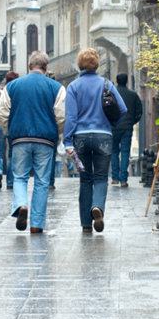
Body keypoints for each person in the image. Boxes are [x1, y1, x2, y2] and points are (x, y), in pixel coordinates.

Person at [0, 51, 65, 234]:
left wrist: (9, 130)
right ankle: (37, 224)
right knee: (42, 181)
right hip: (45, 140)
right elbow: (61, 115)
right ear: (46, 67)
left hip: (20, 138)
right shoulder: (56, 87)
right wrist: (57, 133)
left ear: (29, 66)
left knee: (20, 177)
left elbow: (2, 112)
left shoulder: (12, 86)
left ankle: (20, 205)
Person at [63, 49, 127, 233]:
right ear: (96, 64)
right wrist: (110, 124)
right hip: (103, 138)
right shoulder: (106, 84)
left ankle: (85, 224)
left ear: (80, 64)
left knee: (85, 180)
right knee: (100, 178)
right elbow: (122, 109)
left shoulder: (74, 87)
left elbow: (71, 117)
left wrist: (67, 141)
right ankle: (97, 206)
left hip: (81, 138)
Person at [110, 73, 143, 187]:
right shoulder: (133, 95)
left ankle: (115, 177)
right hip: (127, 128)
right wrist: (132, 122)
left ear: (117, 81)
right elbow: (139, 111)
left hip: (113, 127)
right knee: (125, 153)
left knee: (114, 152)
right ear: (127, 81)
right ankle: (123, 180)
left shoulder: (111, 94)